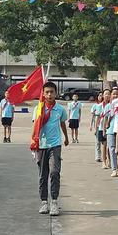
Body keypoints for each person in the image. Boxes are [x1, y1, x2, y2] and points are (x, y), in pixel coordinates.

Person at [33, 81, 69, 216]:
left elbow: (62, 124)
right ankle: (44, 202)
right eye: (46, 92)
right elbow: (34, 127)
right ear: (43, 93)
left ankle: (54, 201)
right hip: (41, 145)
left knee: (54, 172)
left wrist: (66, 137)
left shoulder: (60, 109)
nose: (49, 95)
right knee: (43, 174)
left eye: (51, 92)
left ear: (56, 93)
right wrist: (33, 141)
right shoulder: (38, 109)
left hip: (55, 145)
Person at [95, 89, 111, 169]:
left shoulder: (113, 105)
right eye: (105, 94)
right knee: (104, 145)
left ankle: (110, 161)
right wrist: (96, 129)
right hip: (101, 128)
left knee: (110, 146)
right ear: (103, 96)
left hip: (111, 128)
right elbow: (97, 118)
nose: (107, 95)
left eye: (108, 94)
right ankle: (104, 162)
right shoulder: (99, 106)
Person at [89, 92, 103, 162]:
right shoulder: (95, 106)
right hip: (97, 125)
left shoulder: (106, 105)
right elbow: (93, 117)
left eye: (102, 96)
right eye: (99, 96)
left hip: (104, 125)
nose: (101, 97)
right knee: (97, 142)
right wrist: (91, 126)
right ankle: (98, 156)